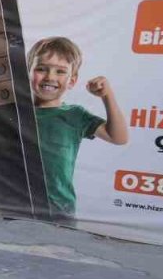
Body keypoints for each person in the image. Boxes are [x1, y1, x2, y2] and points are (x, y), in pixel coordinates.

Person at [26, 37, 128, 219]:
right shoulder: (13, 112)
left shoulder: (75, 115)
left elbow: (118, 137)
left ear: (72, 81)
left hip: (58, 211)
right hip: (12, 206)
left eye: (60, 72)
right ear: (27, 72)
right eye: (41, 69)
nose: (50, 77)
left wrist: (107, 95)